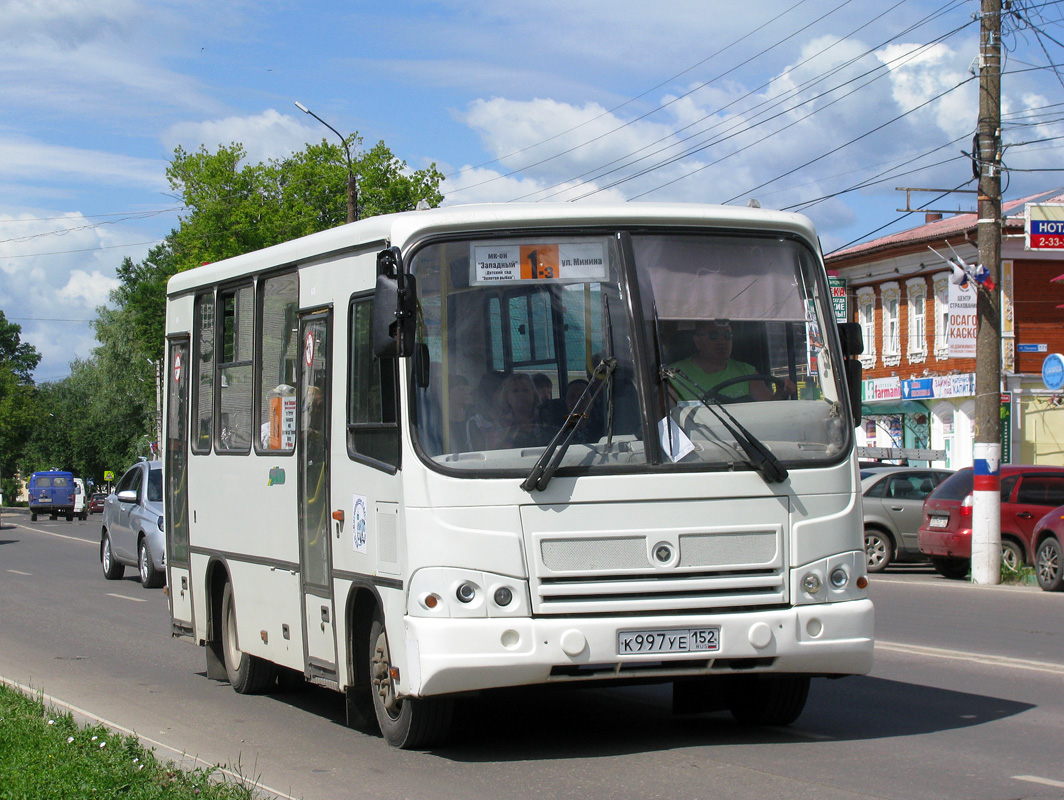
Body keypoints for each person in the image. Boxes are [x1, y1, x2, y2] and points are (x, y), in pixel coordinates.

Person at [669, 319, 780, 402]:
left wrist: (782, 394)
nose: (722, 341)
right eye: (714, 335)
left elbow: (769, 410)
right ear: (697, 341)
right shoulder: (673, 374)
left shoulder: (747, 371)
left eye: (727, 335)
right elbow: (663, 422)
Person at [489, 373, 551, 449]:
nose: (521, 394)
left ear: (534, 395)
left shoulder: (546, 417)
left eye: (525, 390)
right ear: (507, 397)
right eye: (515, 391)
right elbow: (494, 453)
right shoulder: (501, 424)